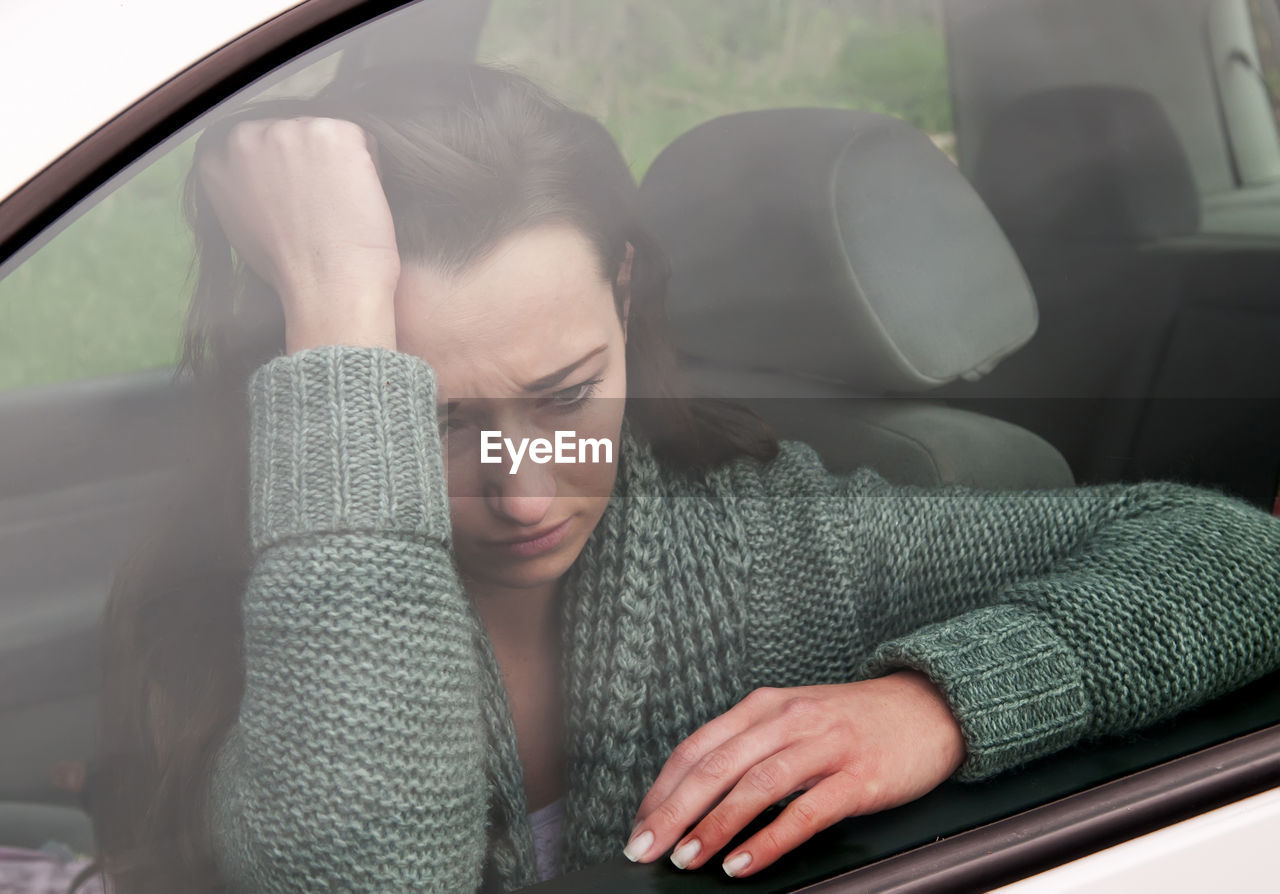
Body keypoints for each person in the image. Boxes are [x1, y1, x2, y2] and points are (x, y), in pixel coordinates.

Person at [93, 62, 1280, 894]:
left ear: (621, 294)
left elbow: (1241, 561)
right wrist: (343, 303)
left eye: (564, 397)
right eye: (426, 421)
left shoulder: (769, 550)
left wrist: (937, 703)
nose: (521, 491)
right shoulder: (250, 605)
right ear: (327, 397)